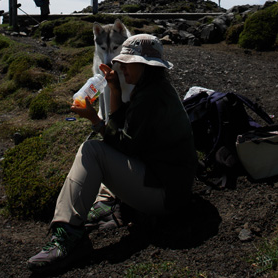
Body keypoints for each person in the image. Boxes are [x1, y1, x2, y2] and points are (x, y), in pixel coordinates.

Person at [27, 34, 197, 274]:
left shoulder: (151, 98)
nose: (122, 67)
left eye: (128, 63)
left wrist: (94, 119)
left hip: (165, 196)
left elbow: (123, 145)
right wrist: (115, 89)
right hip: (168, 185)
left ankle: (69, 236)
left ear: (145, 65)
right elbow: (123, 127)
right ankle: (97, 208)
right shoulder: (155, 90)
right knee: (99, 149)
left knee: (93, 151)